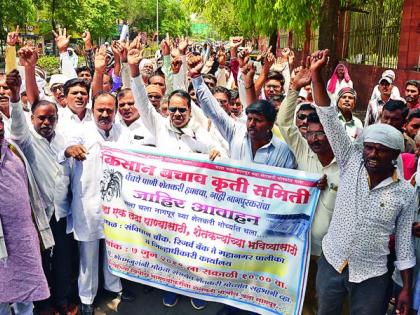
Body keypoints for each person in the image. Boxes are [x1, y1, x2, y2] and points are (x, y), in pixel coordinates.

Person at [311, 49, 416, 315]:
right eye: (368, 147)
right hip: (331, 263)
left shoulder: (404, 191)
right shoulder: (351, 161)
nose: (372, 153)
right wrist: (316, 74)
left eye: (380, 149)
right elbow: (327, 116)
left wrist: (406, 287)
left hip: (372, 276)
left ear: (394, 154)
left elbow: (404, 244)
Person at [62, 92, 134, 315]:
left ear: (115, 112)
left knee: (115, 249)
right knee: (88, 256)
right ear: (92, 110)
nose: (104, 114)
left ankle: (113, 288)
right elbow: (66, 150)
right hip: (88, 206)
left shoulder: (123, 132)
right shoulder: (80, 132)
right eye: (100, 110)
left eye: (109, 110)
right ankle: (87, 298)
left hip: (117, 205)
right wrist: (69, 150)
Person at [276, 61, 338, 315]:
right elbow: (284, 124)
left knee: (329, 302)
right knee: (303, 300)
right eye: (310, 133)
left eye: (320, 133)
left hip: (333, 254)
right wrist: (293, 90)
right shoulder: (304, 151)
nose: (314, 138)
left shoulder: (346, 164)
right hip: (302, 247)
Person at [0, 70, 53, 315]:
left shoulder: (14, 149)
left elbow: (19, 129)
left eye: (0, 124)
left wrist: (13, 96)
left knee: (26, 295)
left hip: (22, 238)